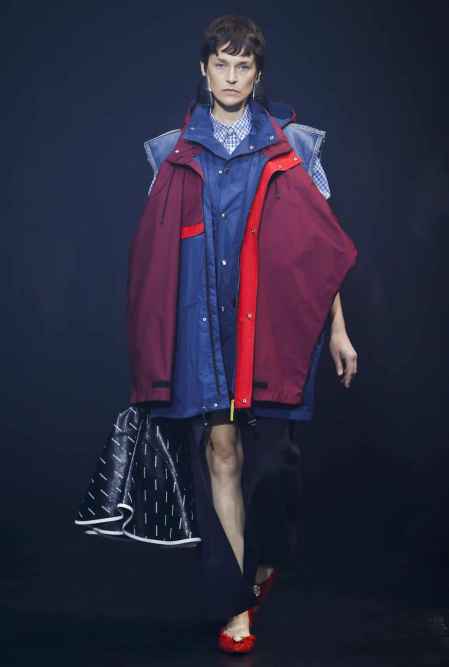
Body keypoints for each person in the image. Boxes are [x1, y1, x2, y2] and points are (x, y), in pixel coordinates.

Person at [127, 14, 358, 654]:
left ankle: (266, 557)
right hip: (203, 327)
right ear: (204, 71)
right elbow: (155, 262)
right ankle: (236, 610)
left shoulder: (297, 146)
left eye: (243, 65)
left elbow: (320, 252)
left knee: (273, 463)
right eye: (221, 64)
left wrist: (338, 331)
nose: (231, 76)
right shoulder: (169, 152)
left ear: (257, 75)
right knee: (220, 453)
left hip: (274, 326)